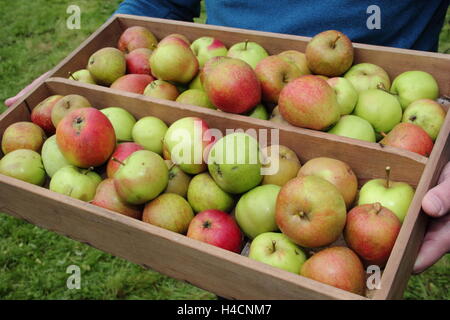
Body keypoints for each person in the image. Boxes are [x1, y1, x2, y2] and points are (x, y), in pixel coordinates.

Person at [4, 0, 449, 274]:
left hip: (381, 94)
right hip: (221, 88)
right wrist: (76, 70)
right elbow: (155, 3)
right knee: (241, 285)